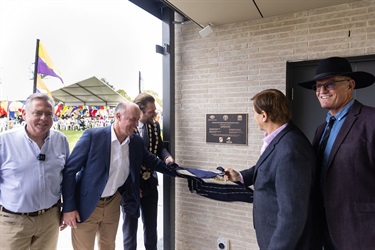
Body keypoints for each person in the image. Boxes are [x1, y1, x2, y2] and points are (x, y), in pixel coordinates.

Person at [62, 101, 176, 250]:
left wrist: (179, 171)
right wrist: (69, 208)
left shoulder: (135, 142)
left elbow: (153, 161)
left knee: (108, 246)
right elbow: (70, 171)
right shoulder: (92, 137)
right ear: (118, 116)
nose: (136, 124)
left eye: (137, 119)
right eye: (132, 119)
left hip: (112, 204)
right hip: (87, 205)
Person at [298, 56, 375, 250]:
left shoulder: (371, 120)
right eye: (318, 86)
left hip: (362, 233)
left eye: (329, 84)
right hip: (324, 231)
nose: (321, 91)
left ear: (350, 85)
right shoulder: (321, 129)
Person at [224, 89, 317, 250]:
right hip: (269, 233)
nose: (253, 117)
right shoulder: (278, 138)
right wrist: (239, 176)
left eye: (254, 113)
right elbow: (267, 169)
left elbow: (292, 214)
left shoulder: (291, 150)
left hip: (281, 242)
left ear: (264, 116)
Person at [0, 93, 70, 250]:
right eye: (38, 113)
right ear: (24, 114)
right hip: (13, 221)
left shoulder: (61, 140)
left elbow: (67, 177)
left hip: (50, 220)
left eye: (49, 114)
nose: (44, 118)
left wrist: (68, 208)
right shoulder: (4, 141)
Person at [122, 93, 174, 250]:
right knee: (130, 231)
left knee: (151, 227)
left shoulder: (154, 126)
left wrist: (167, 157)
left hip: (150, 183)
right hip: (131, 186)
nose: (155, 115)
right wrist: (132, 185)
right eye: (151, 112)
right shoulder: (126, 129)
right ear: (140, 111)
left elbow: (159, 148)